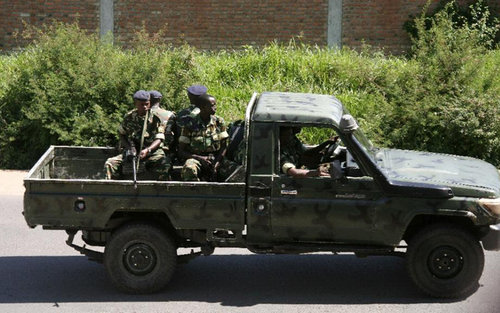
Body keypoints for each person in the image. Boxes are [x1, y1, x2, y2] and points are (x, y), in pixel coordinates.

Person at [104, 90, 172, 180]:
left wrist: (148, 150)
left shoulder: (156, 118)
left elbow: (159, 139)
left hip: (152, 153)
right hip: (133, 152)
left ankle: (162, 191)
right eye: (141, 104)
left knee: (166, 164)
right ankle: (115, 189)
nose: (144, 107)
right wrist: (129, 148)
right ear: (135, 103)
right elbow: (121, 133)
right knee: (110, 163)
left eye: (146, 104)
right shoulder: (129, 117)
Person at [177, 94, 237, 181]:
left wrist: (216, 163)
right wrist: (200, 159)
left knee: (237, 171)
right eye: (212, 105)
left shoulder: (218, 122)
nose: (215, 107)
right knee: (189, 169)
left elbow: (224, 146)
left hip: (216, 158)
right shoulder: (190, 124)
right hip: (196, 159)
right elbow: (181, 151)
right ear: (203, 107)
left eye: (215, 104)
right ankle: (196, 193)